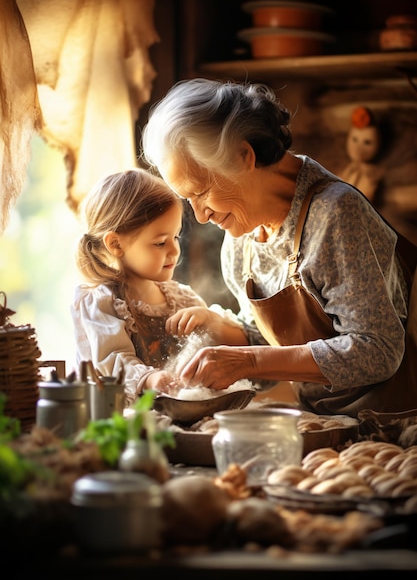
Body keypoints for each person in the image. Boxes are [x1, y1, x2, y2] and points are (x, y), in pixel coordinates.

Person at [141, 78, 417, 417]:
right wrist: (219, 329)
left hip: (397, 426)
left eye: (200, 193)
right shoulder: (240, 243)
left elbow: (378, 351)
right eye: (188, 201)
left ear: (243, 156)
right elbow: (270, 352)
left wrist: (248, 361)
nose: (199, 216)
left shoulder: (336, 213)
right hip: (327, 423)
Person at [71, 168, 243, 404]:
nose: (174, 250)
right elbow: (112, 361)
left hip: (179, 421)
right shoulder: (100, 303)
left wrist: (209, 321)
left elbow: (221, 351)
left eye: (176, 237)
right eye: (161, 243)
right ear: (115, 244)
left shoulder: (184, 300)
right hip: (124, 422)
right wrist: (151, 380)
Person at [338, 105, 384, 202]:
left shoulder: (371, 174)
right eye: (354, 140)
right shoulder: (348, 168)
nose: (358, 148)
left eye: (367, 143)